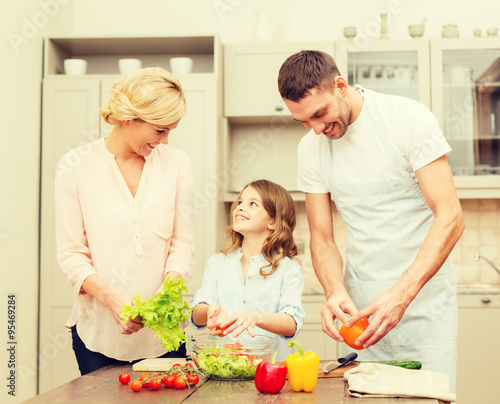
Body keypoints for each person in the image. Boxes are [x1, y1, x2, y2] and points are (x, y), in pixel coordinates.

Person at [278, 50, 464, 391]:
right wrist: (333, 291)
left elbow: (451, 216)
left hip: (423, 308)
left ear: (340, 85)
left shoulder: (406, 119)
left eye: (320, 114)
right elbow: (321, 237)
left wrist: (401, 296)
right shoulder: (311, 148)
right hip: (360, 314)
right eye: (303, 121)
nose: (316, 129)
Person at [55, 67, 195, 375]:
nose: (166, 139)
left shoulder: (176, 164)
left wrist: (168, 291)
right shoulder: (75, 166)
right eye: (160, 130)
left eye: (171, 130)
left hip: (164, 336)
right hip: (98, 336)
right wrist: (111, 299)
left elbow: (182, 244)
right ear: (129, 118)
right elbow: (71, 254)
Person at [190, 179, 305, 361]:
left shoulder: (289, 269)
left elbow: (292, 323)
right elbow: (197, 316)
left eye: (252, 203)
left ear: (273, 222)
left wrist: (258, 316)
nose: (240, 207)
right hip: (223, 369)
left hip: (270, 371)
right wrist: (209, 311)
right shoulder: (217, 263)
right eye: (240, 202)